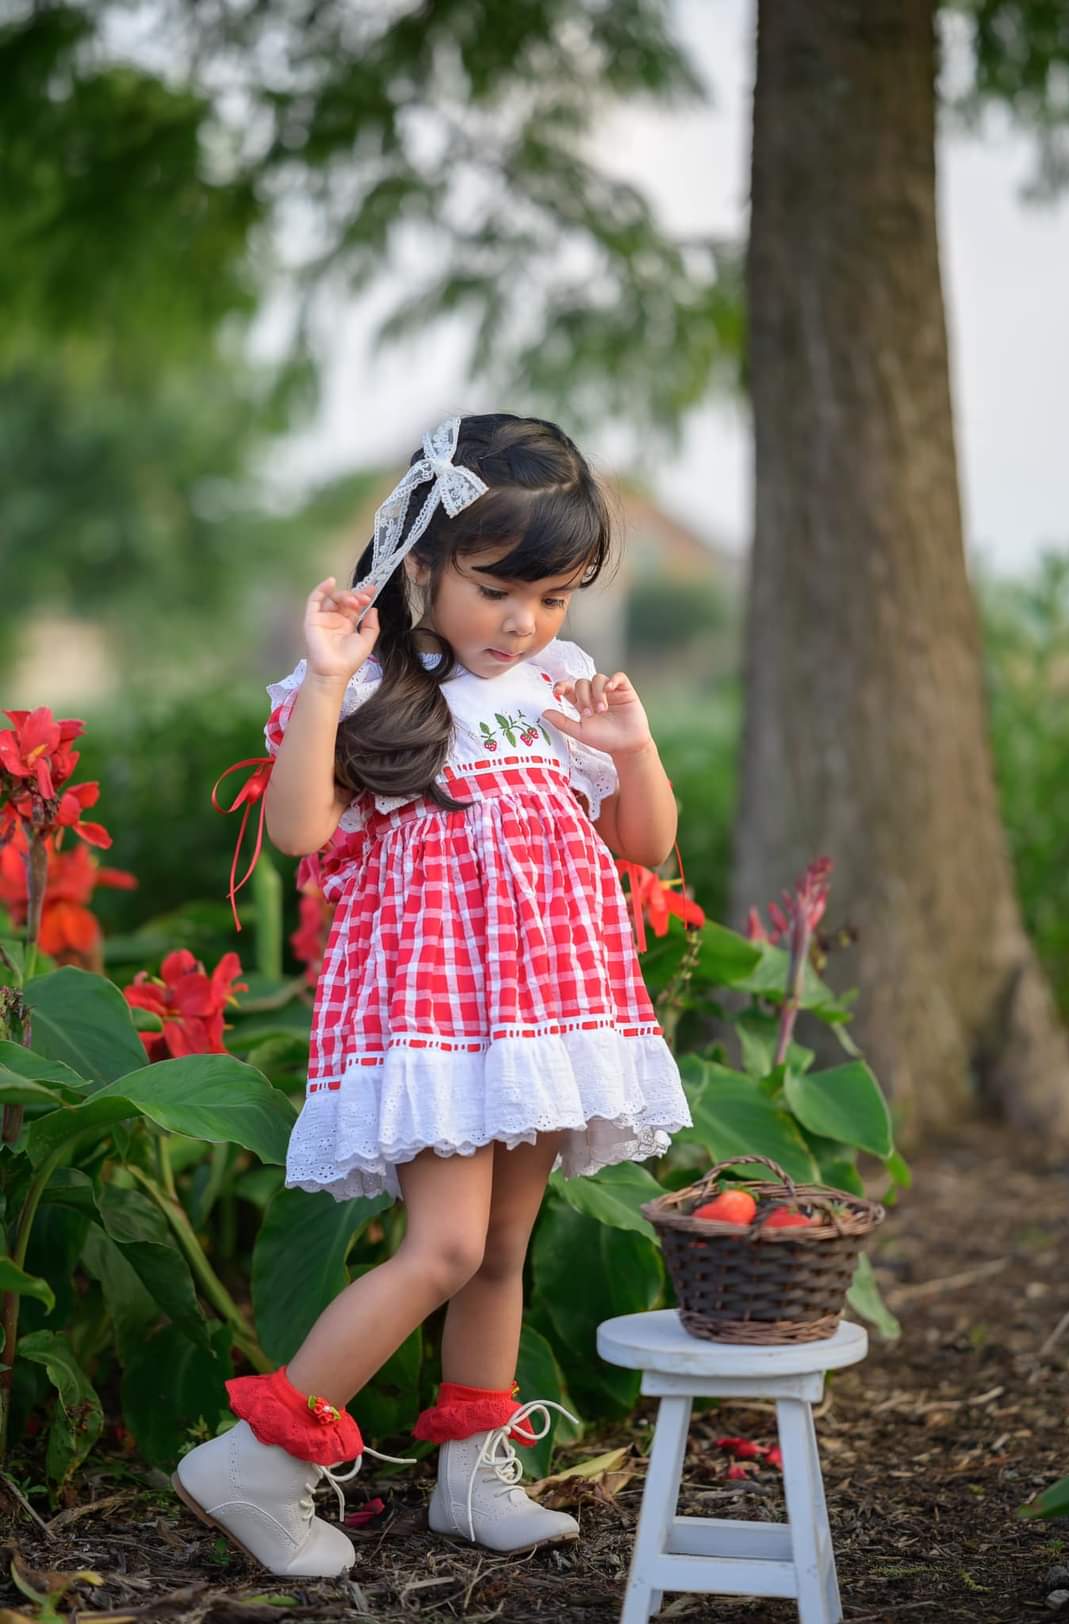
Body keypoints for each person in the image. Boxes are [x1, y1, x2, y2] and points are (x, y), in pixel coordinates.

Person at [174, 413, 693, 1576]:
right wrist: (323, 680)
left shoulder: (558, 688)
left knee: (504, 1247)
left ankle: (472, 1471)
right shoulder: (375, 693)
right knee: (446, 1247)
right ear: (420, 565)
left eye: (554, 595)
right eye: (499, 586)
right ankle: (257, 1460)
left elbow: (644, 849)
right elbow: (302, 830)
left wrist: (636, 747)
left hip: (547, 1015)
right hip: (441, 1021)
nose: (526, 622)